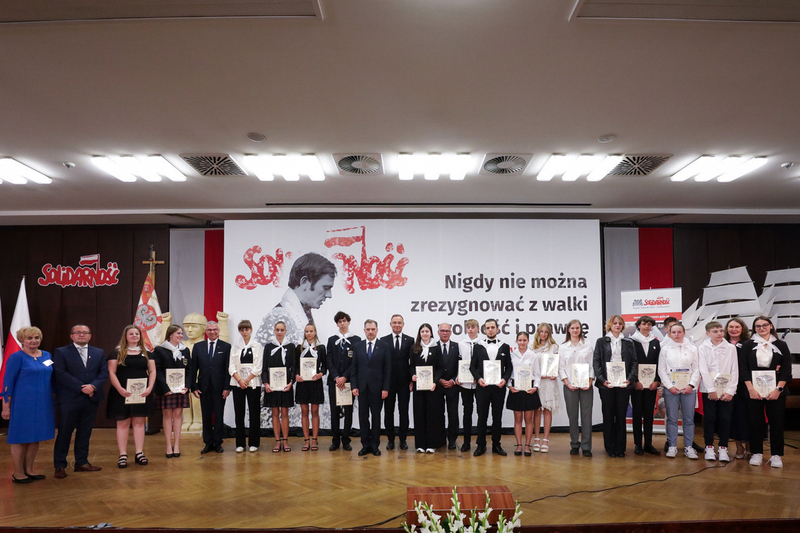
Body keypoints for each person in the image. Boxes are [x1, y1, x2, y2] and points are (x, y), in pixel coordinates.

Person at [52, 325, 109, 479]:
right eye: (78, 332)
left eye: (85, 333)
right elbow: (60, 373)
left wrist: (93, 386)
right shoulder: (61, 352)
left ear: (90, 336)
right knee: (64, 432)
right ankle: (60, 465)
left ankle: (81, 462)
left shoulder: (99, 352)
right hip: (69, 399)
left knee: (85, 432)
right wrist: (81, 387)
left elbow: (104, 373)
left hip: (91, 398)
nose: (81, 335)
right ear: (72, 336)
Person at [2, 326, 55, 483]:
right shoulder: (16, 357)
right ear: (22, 340)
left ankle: (30, 469)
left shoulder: (46, 355)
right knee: (20, 437)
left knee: (35, 437)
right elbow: (7, 383)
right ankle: (18, 472)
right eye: (30, 338)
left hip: (43, 403)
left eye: (36, 338)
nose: (34, 341)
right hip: (22, 403)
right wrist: (6, 407)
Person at [256, 252, 337, 346]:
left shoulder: (299, 310)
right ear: (304, 282)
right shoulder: (278, 316)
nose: (329, 295)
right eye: (326, 288)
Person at [742, 316, 792, 468]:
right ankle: (757, 453)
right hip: (753, 390)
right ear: (754, 328)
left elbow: (786, 370)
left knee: (776, 423)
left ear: (771, 326)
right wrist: (750, 389)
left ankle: (776, 455)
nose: (761, 328)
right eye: (758, 326)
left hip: (775, 390)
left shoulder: (781, 345)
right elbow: (743, 369)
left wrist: (778, 389)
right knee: (755, 422)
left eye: (764, 325)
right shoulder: (747, 345)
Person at [106, 325, 156, 468]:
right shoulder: (117, 352)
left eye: (137, 334)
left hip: (141, 393)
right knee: (123, 423)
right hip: (121, 393)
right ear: (125, 336)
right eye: (131, 334)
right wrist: (120, 389)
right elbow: (112, 372)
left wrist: (149, 388)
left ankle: (139, 453)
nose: (134, 336)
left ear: (140, 336)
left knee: (139, 422)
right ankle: (122, 454)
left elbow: (152, 371)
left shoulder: (147, 353)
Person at [594, 315, 637, 458]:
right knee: (608, 416)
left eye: (620, 323)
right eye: (614, 323)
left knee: (620, 416)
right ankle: (610, 448)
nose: (617, 326)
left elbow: (634, 363)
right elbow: (597, 362)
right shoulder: (601, 341)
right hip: (607, 385)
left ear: (623, 325)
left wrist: (630, 379)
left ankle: (620, 448)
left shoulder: (629, 342)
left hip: (623, 385)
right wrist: (602, 380)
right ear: (609, 325)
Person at [470, 319, 512, 457]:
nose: (490, 330)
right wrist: (479, 378)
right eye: (488, 328)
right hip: (483, 387)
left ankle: (496, 445)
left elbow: (509, 367)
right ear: (484, 329)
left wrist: (504, 380)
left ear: (497, 329)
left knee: (497, 417)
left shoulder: (504, 346)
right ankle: (480, 445)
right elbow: (472, 366)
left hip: (499, 388)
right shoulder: (478, 346)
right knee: (482, 417)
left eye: (492, 327)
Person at [697, 321, 738, 462]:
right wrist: (711, 390)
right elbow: (703, 370)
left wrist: (731, 391)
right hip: (709, 390)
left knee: (725, 419)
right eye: (715, 331)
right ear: (708, 333)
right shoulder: (702, 348)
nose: (719, 333)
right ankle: (709, 447)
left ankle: (723, 448)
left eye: (721, 331)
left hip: (727, 390)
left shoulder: (731, 348)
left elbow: (735, 370)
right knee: (710, 419)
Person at [659, 322, 699, 460]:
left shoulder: (693, 349)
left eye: (679, 332)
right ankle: (672, 446)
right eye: (673, 332)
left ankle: (688, 447)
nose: (676, 335)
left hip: (688, 389)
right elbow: (661, 369)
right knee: (672, 418)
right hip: (672, 389)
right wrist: (669, 386)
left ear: (684, 332)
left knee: (688, 418)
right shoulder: (665, 349)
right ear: (669, 334)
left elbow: (696, 369)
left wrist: (691, 385)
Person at [189, 321, 231, 454]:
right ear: (205, 331)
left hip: (220, 389)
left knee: (219, 416)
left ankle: (218, 442)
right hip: (203, 387)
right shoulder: (198, 347)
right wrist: (194, 387)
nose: (212, 332)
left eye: (215, 329)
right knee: (206, 416)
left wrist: (227, 387)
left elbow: (227, 369)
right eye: (209, 330)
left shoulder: (226, 347)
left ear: (218, 331)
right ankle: (207, 443)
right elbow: (193, 368)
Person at [351, 319, 391, 456]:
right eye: (368, 329)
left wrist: (386, 388)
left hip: (378, 389)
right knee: (363, 418)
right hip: (361, 388)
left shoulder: (384, 346)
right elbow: (354, 368)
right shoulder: (358, 346)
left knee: (376, 418)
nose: (370, 332)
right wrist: (354, 386)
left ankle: (375, 446)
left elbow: (387, 369)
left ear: (377, 330)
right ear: (364, 330)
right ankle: (365, 445)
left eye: (373, 329)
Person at [153, 325, 192, 459]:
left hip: (180, 389)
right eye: (178, 333)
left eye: (182, 333)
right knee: (167, 415)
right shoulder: (159, 350)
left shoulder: (185, 350)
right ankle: (168, 445)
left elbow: (189, 370)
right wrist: (165, 388)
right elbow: (156, 370)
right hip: (166, 390)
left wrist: (187, 386)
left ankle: (177, 445)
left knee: (178, 414)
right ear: (170, 335)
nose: (181, 336)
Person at [559, 319, 594, 457]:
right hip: (570, 387)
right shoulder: (563, 347)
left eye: (577, 328)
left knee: (586, 417)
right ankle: (574, 444)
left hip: (586, 386)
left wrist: (590, 382)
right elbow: (561, 368)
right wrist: (567, 383)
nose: (575, 330)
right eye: (572, 328)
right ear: (568, 330)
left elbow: (592, 365)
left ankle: (586, 446)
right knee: (572, 417)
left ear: (581, 329)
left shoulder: (587, 344)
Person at [326, 311, 360, 451]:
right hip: (334, 382)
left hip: (349, 382)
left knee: (348, 411)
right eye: (339, 321)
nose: (342, 324)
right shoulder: (331, 340)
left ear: (349, 322)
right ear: (337, 324)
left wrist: (345, 377)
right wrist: (336, 377)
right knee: (334, 411)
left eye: (344, 321)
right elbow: (329, 360)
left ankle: (346, 440)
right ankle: (335, 440)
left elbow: (355, 362)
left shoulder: (356, 340)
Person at [380, 314, 414, 451]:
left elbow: (412, 362)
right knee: (388, 412)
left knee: (403, 412)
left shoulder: (410, 340)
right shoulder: (383, 341)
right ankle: (390, 440)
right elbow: (381, 364)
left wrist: (412, 379)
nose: (397, 325)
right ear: (390, 324)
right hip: (388, 383)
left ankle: (403, 440)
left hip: (405, 383)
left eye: (399, 322)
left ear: (403, 324)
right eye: (394, 322)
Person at [229, 320, 263, 453]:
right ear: (239, 331)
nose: (244, 332)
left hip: (253, 384)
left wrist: (247, 380)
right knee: (239, 414)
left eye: (246, 329)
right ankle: (240, 443)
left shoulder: (257, 346)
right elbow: (231, 366)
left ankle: (254, 443)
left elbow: (258, 366)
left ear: (251, 330)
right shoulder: (235, 346)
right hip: (238, 385)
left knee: (254, 414)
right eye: (242, 330)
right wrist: (239, 380)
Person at [409, 323, 444, 453]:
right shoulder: (414, 347)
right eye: (422, 331)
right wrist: (412, 375)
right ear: (419, 333)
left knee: (432, 415)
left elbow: (440, 367)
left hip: (433, 388)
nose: (424, 333)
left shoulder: (436, 348)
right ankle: (420, 444)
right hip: (419, 388)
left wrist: (435, 381)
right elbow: (411, 365)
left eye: (427, 331)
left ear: (431, 333)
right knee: (419, 414)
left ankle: (431, 444)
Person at [629, 316, 661, 456]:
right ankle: (638, 444)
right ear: (638, 325)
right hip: (637, 385)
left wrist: (657, 381)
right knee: (637, 414)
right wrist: (634, 381)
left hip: (651, 385)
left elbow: (660, 363)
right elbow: (629, 363)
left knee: (649, 415)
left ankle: (648, 443)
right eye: (644, 324)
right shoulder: (631, 342)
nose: (647, 326)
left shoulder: (655, 342)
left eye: (649, 324)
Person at [263, 321, 296, 452]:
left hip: (286, 386)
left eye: (282, 330)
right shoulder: (268, 347)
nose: (280, 332)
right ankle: (277, 442)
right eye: (277, 329)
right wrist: (266, 383)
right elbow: (264, 367)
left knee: (285, 413)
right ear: (274, 331)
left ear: (286, 331)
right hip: (272, 386)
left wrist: (291, 382)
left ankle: (286, 442)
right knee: (275, 413)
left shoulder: (291, 346)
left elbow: (293, 366)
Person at [506, 332, 540, 457]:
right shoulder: (512, 355)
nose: (522, 342)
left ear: (528, 341)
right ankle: (519, 445)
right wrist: (509, 386)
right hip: (516, 389)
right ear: (516, 341)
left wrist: (535, 387)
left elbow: (537, 374)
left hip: (529, 389)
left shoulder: (533, 356)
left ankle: (527, 445)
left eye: (524, 340)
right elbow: (509, 373)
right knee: (518, 419)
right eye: (520, 340)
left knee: (529, 419)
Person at [295, 323, 326, 451]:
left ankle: (314, 439)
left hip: (315, 383)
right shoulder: (299, 348)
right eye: (307, 331)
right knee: (304, 412)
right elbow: (295, 366)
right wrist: (296, 375)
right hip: (303, 384)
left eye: (311, 331)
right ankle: (306, 440)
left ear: (315, 332)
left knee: (314, 412)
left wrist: (321, 374)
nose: (309, 333)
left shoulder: (321, 348)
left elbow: (325, 366)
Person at [724, 317, 751, 459]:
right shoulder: (722, 343)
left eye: (737, 327)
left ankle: (749, 447)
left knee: (746, 417)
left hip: (745, 386)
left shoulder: (749, 343)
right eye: (731, 327)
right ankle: (739, 447)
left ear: (742, 329)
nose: (733, 329)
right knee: (732, 417)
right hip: (727, 386)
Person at [531, 322, 560, 453]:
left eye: (546, 332)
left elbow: (559, 364)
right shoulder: (532, 347)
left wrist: (555, 373)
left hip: (549, 383)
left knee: (547, 410)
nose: (543, 334)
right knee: (537, 411)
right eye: (541, 332)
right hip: (538, 382)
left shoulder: (554, 347)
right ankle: (536, 439)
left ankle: (545, 440)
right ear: (538, 332)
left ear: (549, 333)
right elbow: (529, 365)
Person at [457, 319, 480, 452]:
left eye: (473, 327)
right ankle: (466, 442)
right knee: (467, 413)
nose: (470, 329)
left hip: (479, 384)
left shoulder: (482, 343)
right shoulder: (461, 344)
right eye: (468, 327)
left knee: (480, 413)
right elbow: (459, 361)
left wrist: (479, 377)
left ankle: (479, 442)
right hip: (465, 384)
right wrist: (458, 376)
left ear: (478, 328)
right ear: (466, 329)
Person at [437, 323, 461, 450]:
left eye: (447, 331)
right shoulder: (433, 347)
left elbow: (462, 366)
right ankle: (440, 439)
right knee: (439, 414)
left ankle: (452, 439)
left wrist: (453, 380)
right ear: (438, 332)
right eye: (442, 331)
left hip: (453, 386)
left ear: (451, 332)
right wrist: (439, 380)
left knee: (453, 413)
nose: (444, 333)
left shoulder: (457, 347)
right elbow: (431, 366)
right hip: (438, 386)